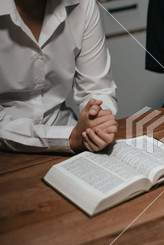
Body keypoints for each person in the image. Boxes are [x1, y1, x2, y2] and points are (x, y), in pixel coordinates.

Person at [0, 0, 118, 153]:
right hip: (7, 153)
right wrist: (68, 138)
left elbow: (97, 88)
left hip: (73, 139)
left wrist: (97, 123)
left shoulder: (83, 4)